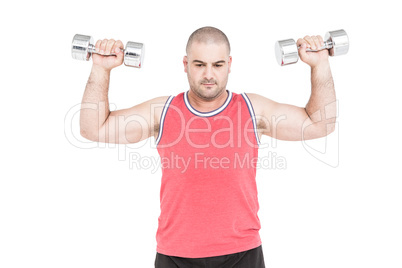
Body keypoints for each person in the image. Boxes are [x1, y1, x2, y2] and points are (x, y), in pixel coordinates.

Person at [79, 26, 336, 268]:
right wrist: (101, 69)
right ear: (185, 65)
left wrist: (320, 64)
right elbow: (93, 129)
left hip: (242, 255)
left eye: (218, 65)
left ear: (229, 65)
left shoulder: (252, 110)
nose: (209, 74)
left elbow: (319, 124)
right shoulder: (163, 112)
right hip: (175, 256)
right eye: (200, 65)